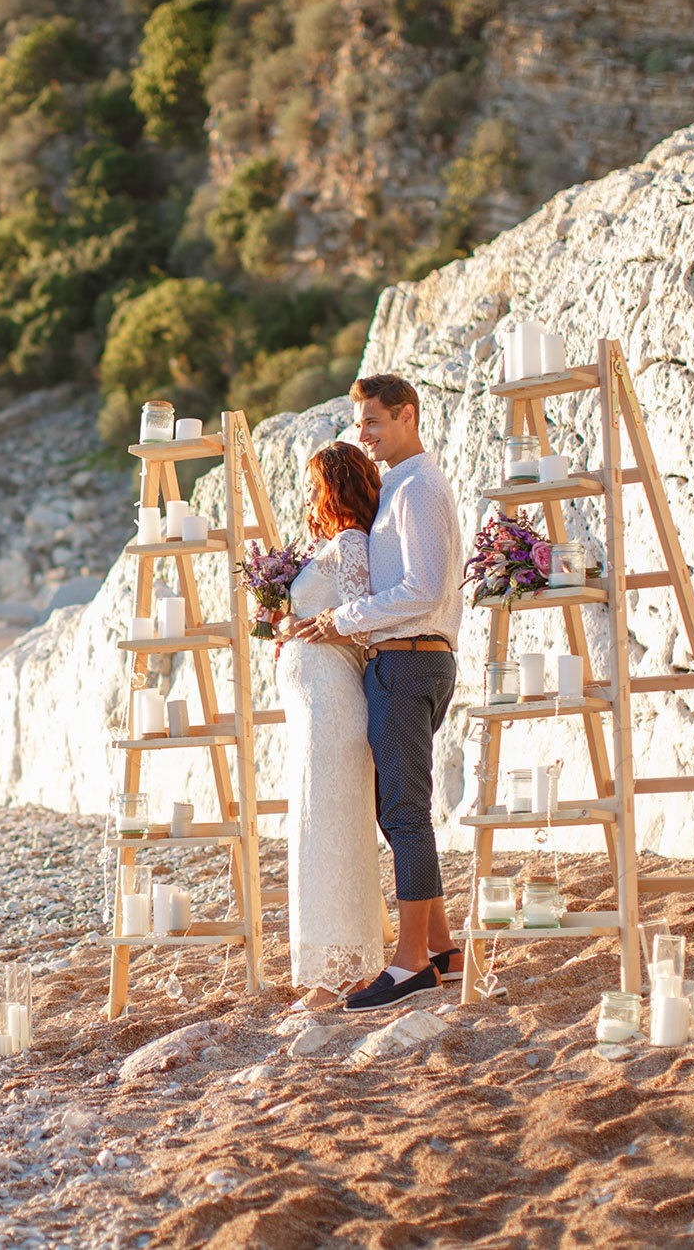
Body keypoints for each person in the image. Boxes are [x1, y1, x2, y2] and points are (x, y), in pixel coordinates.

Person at [287, 373, 464, 1010]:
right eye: (358, 424)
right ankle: (442, 948)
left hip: (409, 663)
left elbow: (423, 588)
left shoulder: (417, 489)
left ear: (407, 417)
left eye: (373, 424)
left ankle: (411, 962)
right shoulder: (399, 489)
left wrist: (339, 621)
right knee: (404, 812)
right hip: (408, 662)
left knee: (404, 816)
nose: (363, 436)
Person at [272, 442, 389, 1009]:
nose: (307, 496)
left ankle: (337, 973)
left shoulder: (351, 544)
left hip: (333, 709)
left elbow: (364, 620)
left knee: (330, 834)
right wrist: (290, 626)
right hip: (311, 712)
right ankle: (331, 962)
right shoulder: (329, 546)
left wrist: (307, 627)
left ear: (332, 487)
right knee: (317, 830)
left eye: (313, 484)